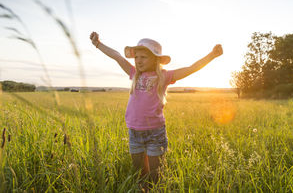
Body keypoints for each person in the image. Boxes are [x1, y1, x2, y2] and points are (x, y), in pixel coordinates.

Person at [89, 32, 223, 187]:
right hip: (134, 132)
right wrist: (98, 44)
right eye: (136, 57)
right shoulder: (134, 74)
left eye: (143, 57)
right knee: (140, 176)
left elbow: (191, 68)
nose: (138, 61)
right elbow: (117, 56)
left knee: (155, 176)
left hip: (155, 133)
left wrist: (212, 55)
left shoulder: (164, 76)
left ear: (156, 59)